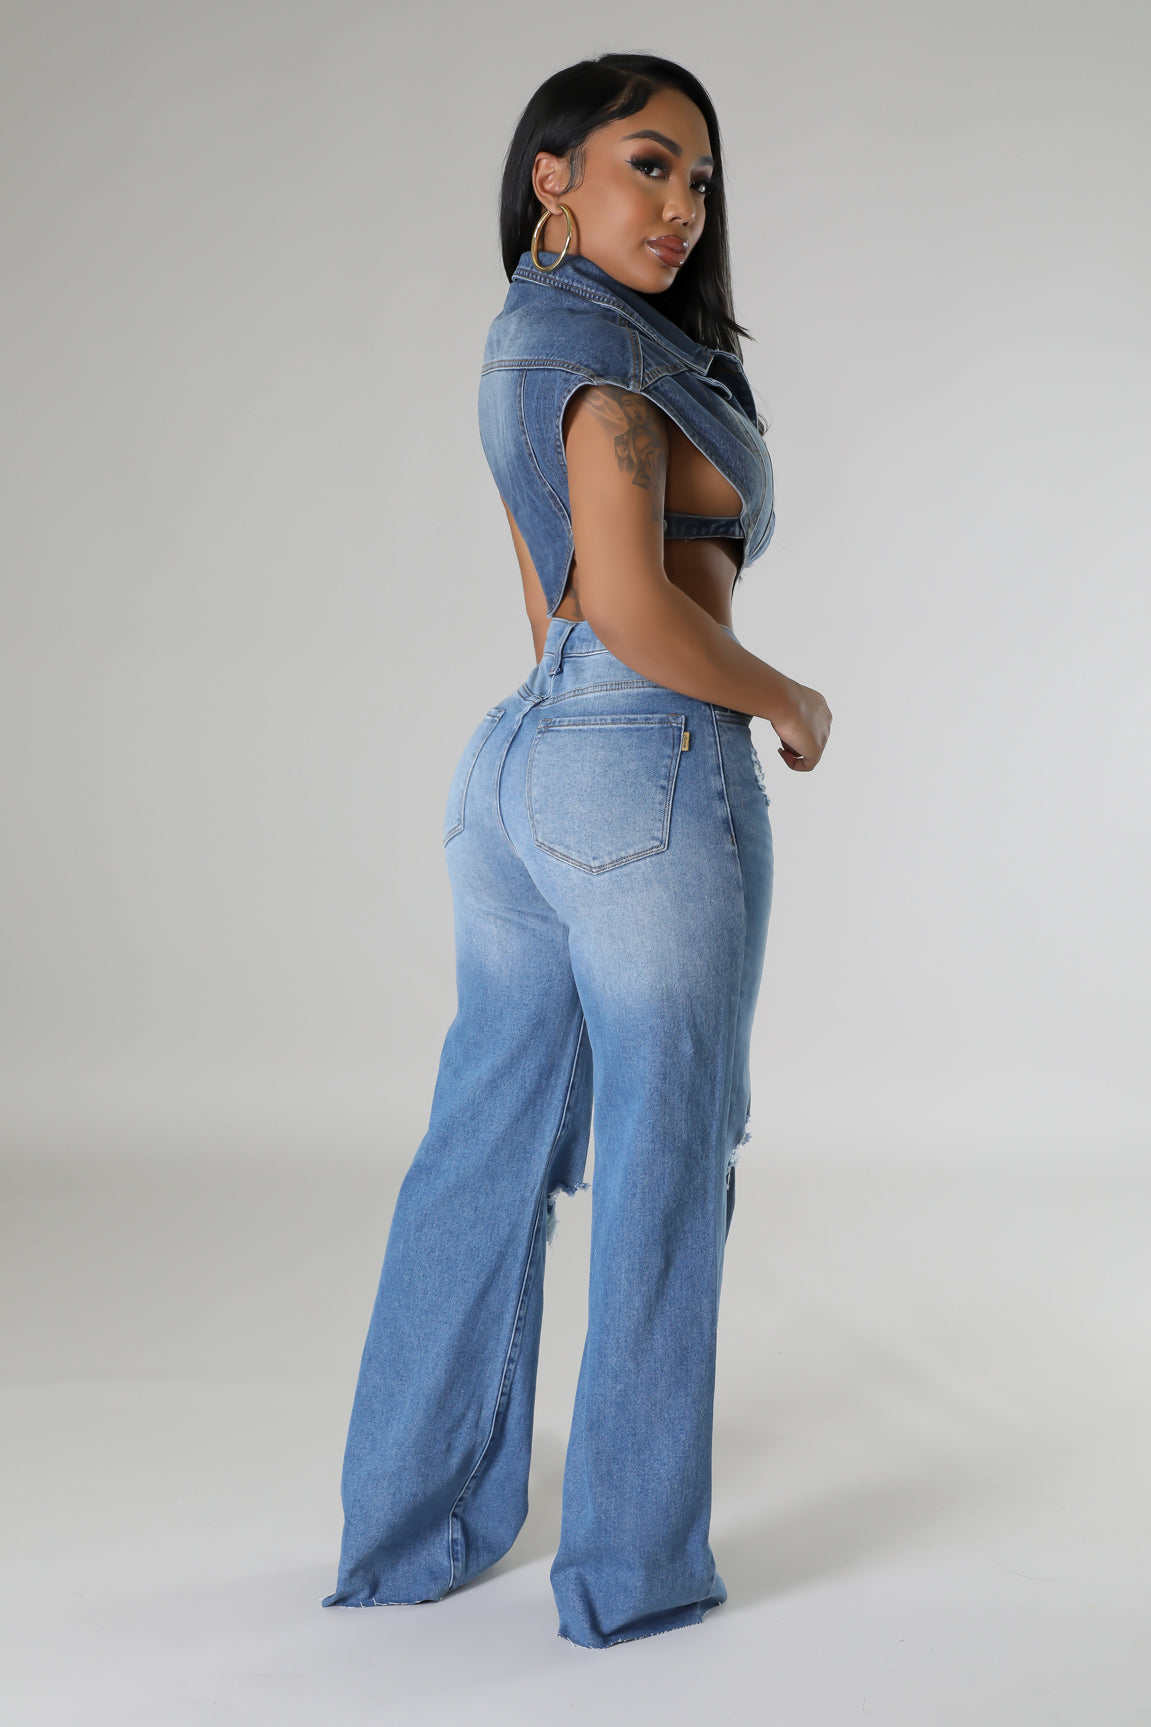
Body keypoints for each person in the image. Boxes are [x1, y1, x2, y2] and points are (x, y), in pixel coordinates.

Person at [321, 52, 832, 1650]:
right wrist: (788, 697)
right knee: (666, 1165)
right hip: (649, 769)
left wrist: (584, 744)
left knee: (481, 1151)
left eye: (700, 180)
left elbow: (548, 605)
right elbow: (623, 606)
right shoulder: (610, 362)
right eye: (647, 165)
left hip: (523, 769)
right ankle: (629, 1573)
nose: (682, 207)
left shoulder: (528, 340)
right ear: (555, 174)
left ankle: (404, 1534)